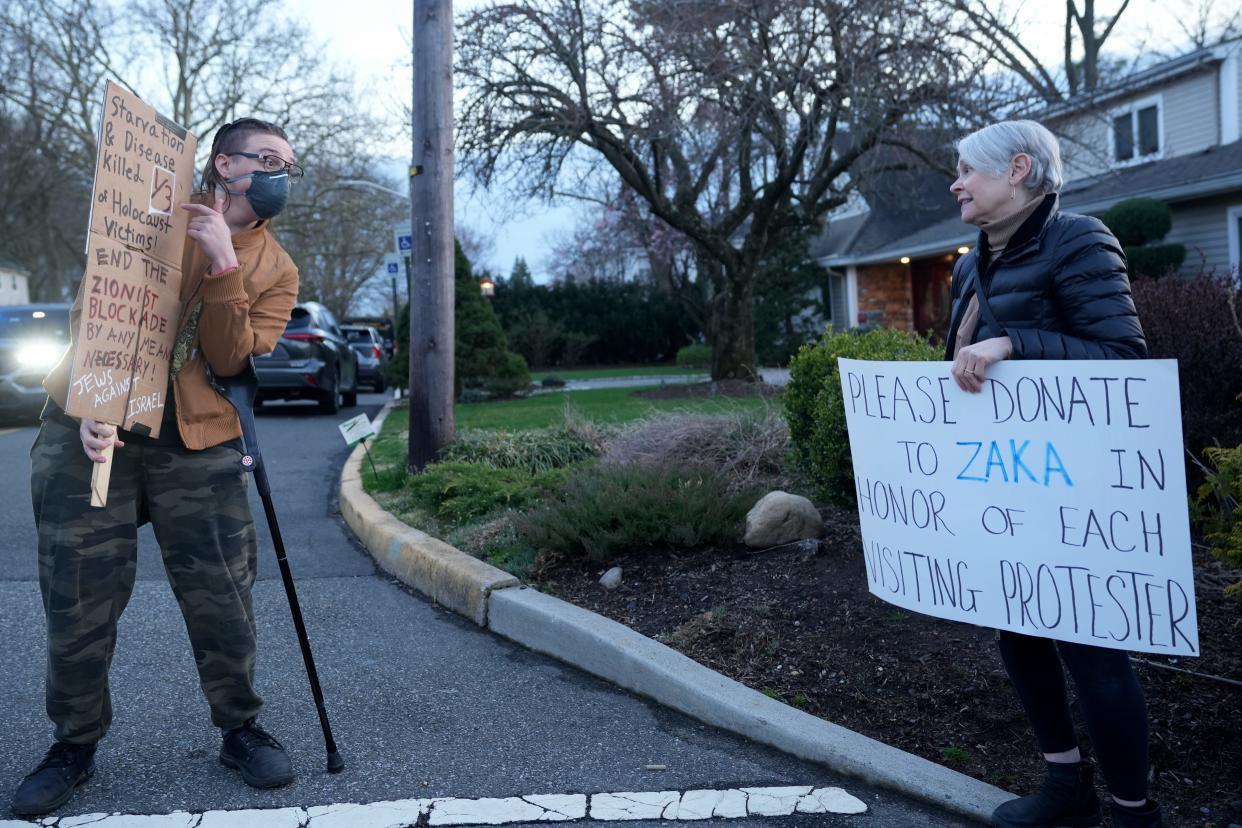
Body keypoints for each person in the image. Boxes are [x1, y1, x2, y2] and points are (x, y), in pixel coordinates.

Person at [12, 118, 302, 816]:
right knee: (78, 599)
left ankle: (240, 728)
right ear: (225, 165)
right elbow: (98, 314)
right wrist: (90, 403)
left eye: (289, 165)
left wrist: (224, 263)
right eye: (266, 160)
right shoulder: (143, 218)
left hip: (198, 445)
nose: (278, 175)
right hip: (92, 432)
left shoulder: (276, 268)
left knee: (224, 600)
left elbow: (232, 359)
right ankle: (73, 744)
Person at [944, 120, 1161, 828]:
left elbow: (1125, 360)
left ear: (1016, 169)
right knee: (1020, 633)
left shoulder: (1081, 240)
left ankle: (1134, 815)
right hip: (1007, 487)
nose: (956, 185)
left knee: (1093, 651)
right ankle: (1067, 787)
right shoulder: (968, 264)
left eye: (966, 171)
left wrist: (1016, 344)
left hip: (1077, 492)